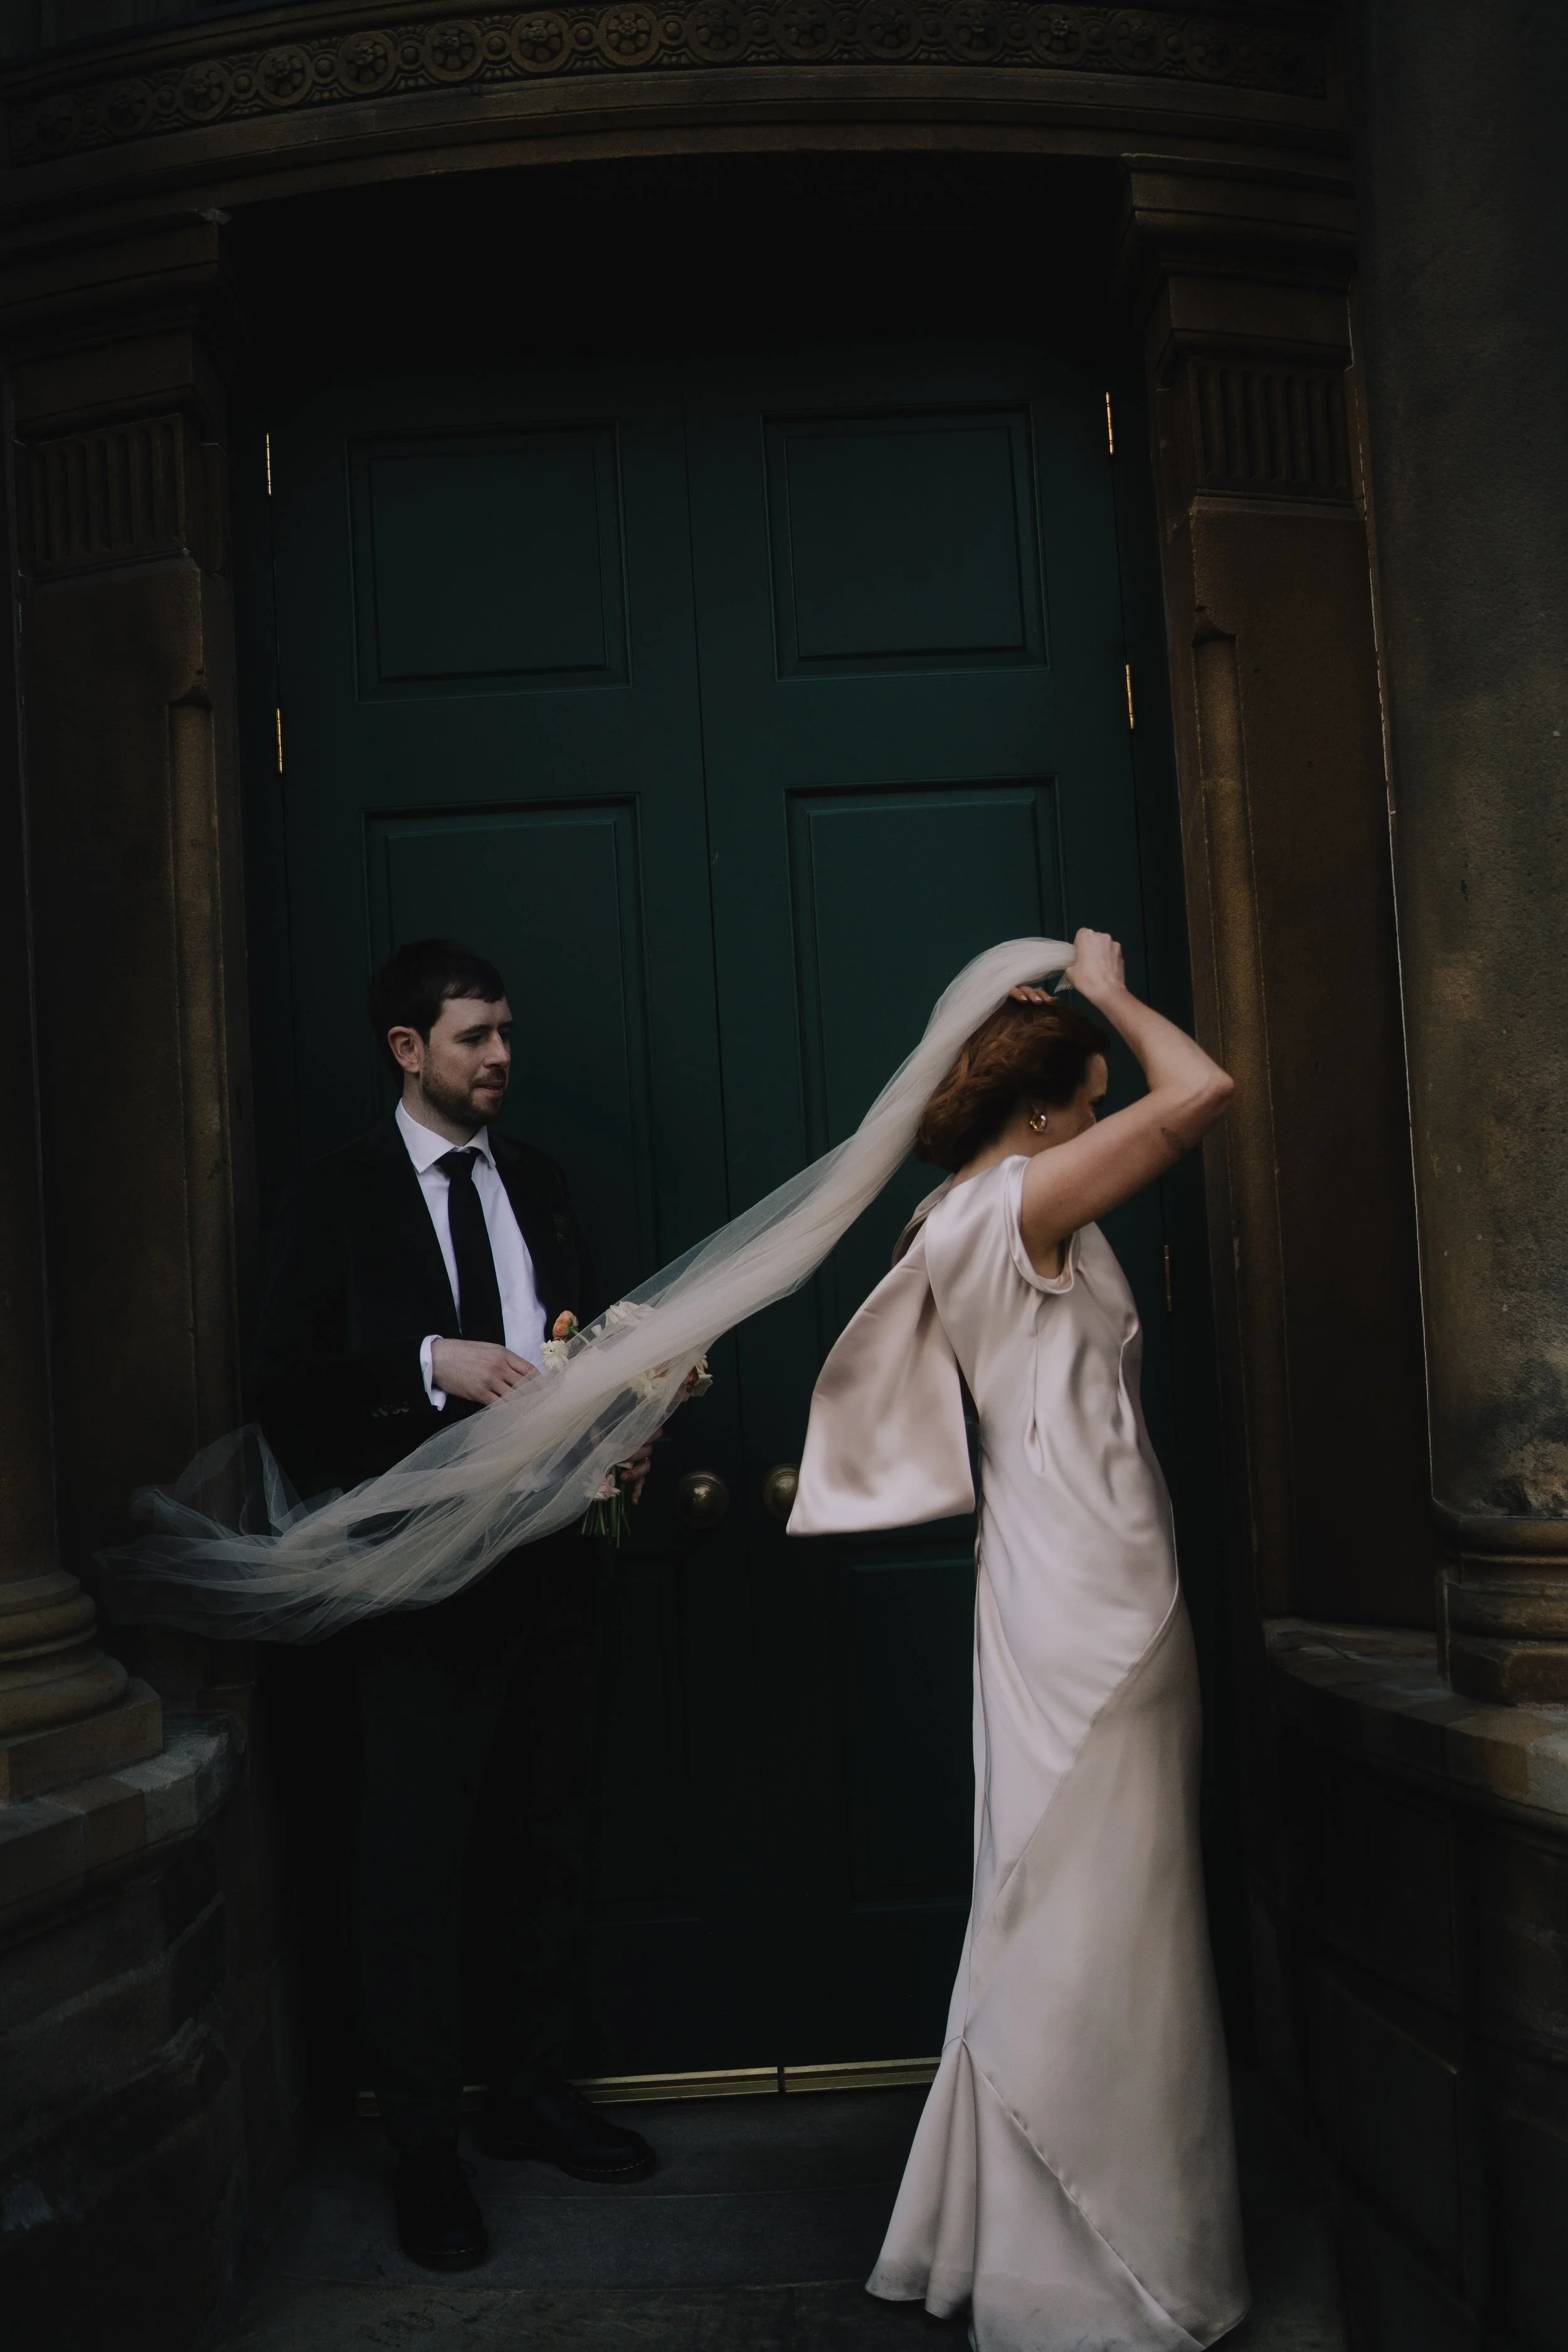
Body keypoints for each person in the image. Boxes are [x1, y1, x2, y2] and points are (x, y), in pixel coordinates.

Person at [789, 930, 1249, 2350]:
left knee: (1064, 1897)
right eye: (1090, 1093)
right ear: (1044, 1111)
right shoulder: (1019, 1205)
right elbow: (1203, 1095)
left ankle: (1028, 2244)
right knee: (1098, 1904)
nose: (1106, 1111)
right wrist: (1109, 995)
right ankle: (1103, 2274)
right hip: (1090, 1599)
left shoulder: (958, 1211)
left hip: (1058, 1583)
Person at [252, 938, 655, 2272]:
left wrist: (619, 1427)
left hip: (551, 1572)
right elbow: (288, 1380)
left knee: (547, 1843)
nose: (499, 1058)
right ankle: (424, 2153)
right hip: (412, 1592)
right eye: (474, 1036)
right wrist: (431, 1362)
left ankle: (530, 2100)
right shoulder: (336, 1194)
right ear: (405, 1050)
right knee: (412, 1875)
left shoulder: (536, 1182)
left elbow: (578, 1342)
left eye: (503, 1034)